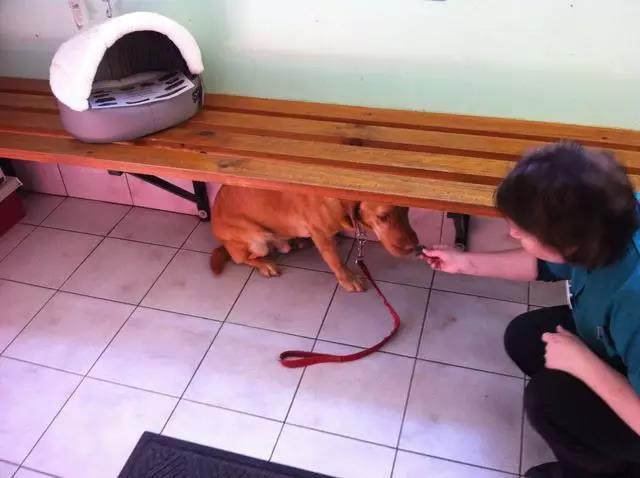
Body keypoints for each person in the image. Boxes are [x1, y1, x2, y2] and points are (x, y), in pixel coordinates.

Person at [422, 142, 640, 478]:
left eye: (522, 232)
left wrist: (584, 365)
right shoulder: (605, 219)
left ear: (570, 244)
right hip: (621, 346)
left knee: (546, 401)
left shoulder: (633, 300)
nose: (512, 232)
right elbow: (544, 264)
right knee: (525, 337)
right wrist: (464, 263)